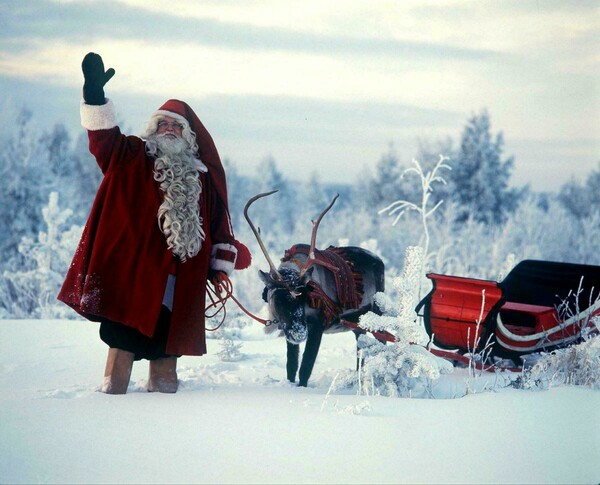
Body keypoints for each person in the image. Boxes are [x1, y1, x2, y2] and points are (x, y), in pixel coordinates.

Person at [58, 52, 251, 394]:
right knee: (123, 339)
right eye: (163, 124)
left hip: (181, 278)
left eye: (177, 126)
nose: (169, 129)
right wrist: (94, 98)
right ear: (153, 129)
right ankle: (110, 393)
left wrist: (224, 257)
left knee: (168, 345)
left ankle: (164, 400)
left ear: (189, 136)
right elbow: (103, 141)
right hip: (136, 274)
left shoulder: (201, 178)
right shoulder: (132, 155)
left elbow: (219, 220)